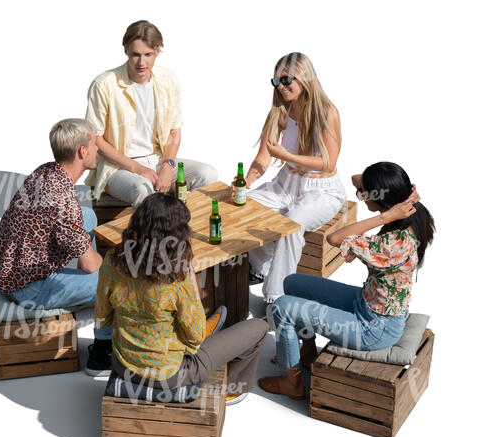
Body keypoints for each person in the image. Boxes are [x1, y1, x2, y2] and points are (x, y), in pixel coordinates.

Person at [258, 161, 435, 399]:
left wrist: (384, 216)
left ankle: (292, 383)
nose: (360, 195)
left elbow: (335, 238)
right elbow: (356, 177)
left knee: (281, 308)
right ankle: (307, 352)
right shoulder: (411, 213)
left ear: (382, 200)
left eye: (364, 195)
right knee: (292, 283)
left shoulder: (392, 245)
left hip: (374, 329)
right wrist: (400, 198)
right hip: (366, 305)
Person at [95, 192, 268, 405]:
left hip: (123, 364)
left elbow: (102, 317)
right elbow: (195, 337)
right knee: (259, 327)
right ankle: (233, 388)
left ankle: (209, 327)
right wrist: (190, 277)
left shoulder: (112, 260)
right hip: (170, 375)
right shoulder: (176, 276)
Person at [0, 118, 113, 377]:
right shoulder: (62, 201)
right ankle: (101, 355)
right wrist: (109, 263)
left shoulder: (46, 171)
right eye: (94, 144)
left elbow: (65, 222)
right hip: (28, 287)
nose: (98, 149)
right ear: (82, 152)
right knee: (113, 281)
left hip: (10, 267)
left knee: (87, 216)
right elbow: (92, 263)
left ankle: (79, 288)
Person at [241, 52, 346, 303]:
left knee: (292, 225)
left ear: (305, 77)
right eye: (276, 81)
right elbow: (263, 159)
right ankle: (259, 268)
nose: (281, 86)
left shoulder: (327, 112)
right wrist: (245, 182)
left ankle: (277, 296)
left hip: (321, 189)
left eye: (286, 79)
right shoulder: (279, 111)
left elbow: (328, 162)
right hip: (286, 182)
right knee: (244, 208)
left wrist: (287, 155)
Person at [85, 20, 217, 208]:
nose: (141, 62)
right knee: (143, 189)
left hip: (158, 159)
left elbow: (174, 132)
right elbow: (95, 138)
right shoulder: (104, 84)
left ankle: (190, 230)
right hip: (118, 167)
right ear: (126, 51)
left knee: (208, 174)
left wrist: (167, 166)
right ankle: (150, 237)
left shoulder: (168, 79)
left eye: (148, 54)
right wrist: (137, 168)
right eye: (136, 55)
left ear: (157, 51)